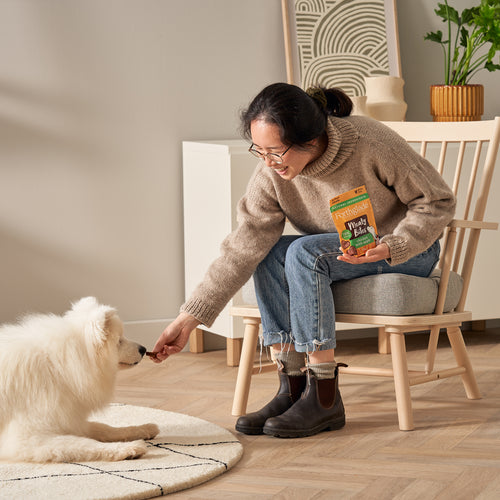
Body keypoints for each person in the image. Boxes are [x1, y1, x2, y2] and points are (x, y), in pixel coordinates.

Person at [150, 83, 455, 438]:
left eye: (276, 151)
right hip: (339, 253)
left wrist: (394, 244)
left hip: (407, 250)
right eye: (258, 151)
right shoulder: (272, 171)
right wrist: (189, 318)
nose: (268, 163)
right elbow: (244, 243)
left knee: (302, 251)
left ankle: (324, 395)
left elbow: (437, 202)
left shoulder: (371, 143)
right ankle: (292, 387)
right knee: (268, 252)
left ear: (310, 140)